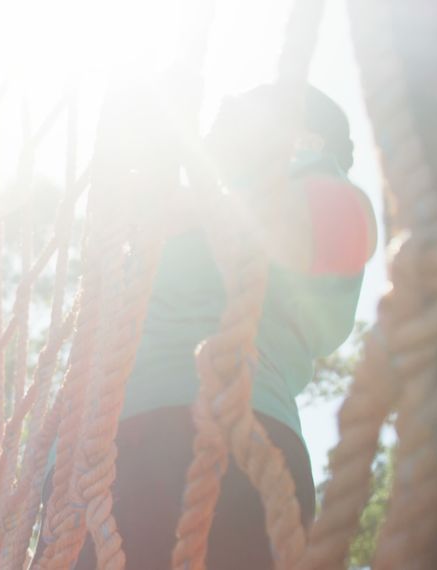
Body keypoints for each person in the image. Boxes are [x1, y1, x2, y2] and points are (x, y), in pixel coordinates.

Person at [32, 84, 375, 569]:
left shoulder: (304, 178)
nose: (227, 107)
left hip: (201, 438)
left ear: (302, 138)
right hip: (81, 474)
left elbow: (338, 225)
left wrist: (196, 205)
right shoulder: (195, 204)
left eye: (249, 104)